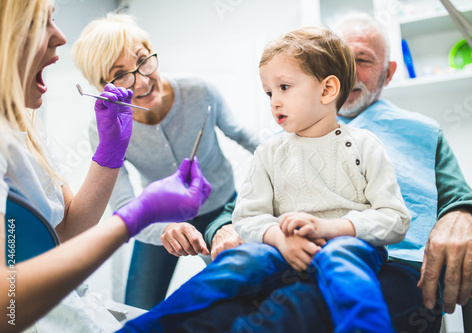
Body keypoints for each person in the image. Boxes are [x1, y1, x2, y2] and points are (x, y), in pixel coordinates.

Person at [120, 26, 413, 333]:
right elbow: (247, 218)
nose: (274, 101)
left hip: (348, 244)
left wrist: (333, 229)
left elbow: (395, 219)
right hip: (281, 248)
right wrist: (279, 238)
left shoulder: (366, 146)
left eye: (284, 87)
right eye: (269, 93)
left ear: (327, 90)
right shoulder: (269, 152)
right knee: (237, 263)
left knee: (340, 260)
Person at [201, 13, 472, 332]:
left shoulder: (421, 133)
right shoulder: (282, 139)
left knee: (302, 305)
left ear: (387, 74)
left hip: (392, 264)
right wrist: (222, 230)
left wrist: (461, 214)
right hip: (293, 260)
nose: (344, 71)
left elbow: (460, 197)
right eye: (338, 58)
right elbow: (237, 211)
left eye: (361, 60)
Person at [0, 1, 211, 332]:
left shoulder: (24, 127)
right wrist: (137, 216)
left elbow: (67, 232)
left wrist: (110, 153)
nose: (60, 37)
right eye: (39, 24)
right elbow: (6, 307)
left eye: (54, 19)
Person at [71, 13, 260, 310]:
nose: (143, 81)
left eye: (144, 60)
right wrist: (162, 230)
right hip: (159, 219)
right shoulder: (104, 128)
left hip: (222, 208)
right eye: (120, 74)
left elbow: (246, 137)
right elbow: (123, 205)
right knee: (137, 307)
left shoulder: (199, 89)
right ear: (102, 86)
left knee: (245, 296)